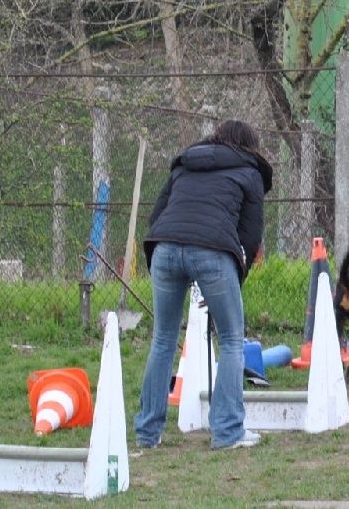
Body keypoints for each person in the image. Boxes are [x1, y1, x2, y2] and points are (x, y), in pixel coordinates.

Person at [134, 119, 273, 450]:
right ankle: (227, 432)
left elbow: (157, 215)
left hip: (164, 246)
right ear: (251, 146)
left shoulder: (186, 164)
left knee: (163, 340)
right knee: (231, 340)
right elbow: (250, 236)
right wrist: (233, 280)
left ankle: (147, 434)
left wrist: (159, 253)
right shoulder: (250, 171)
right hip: (212, 250)